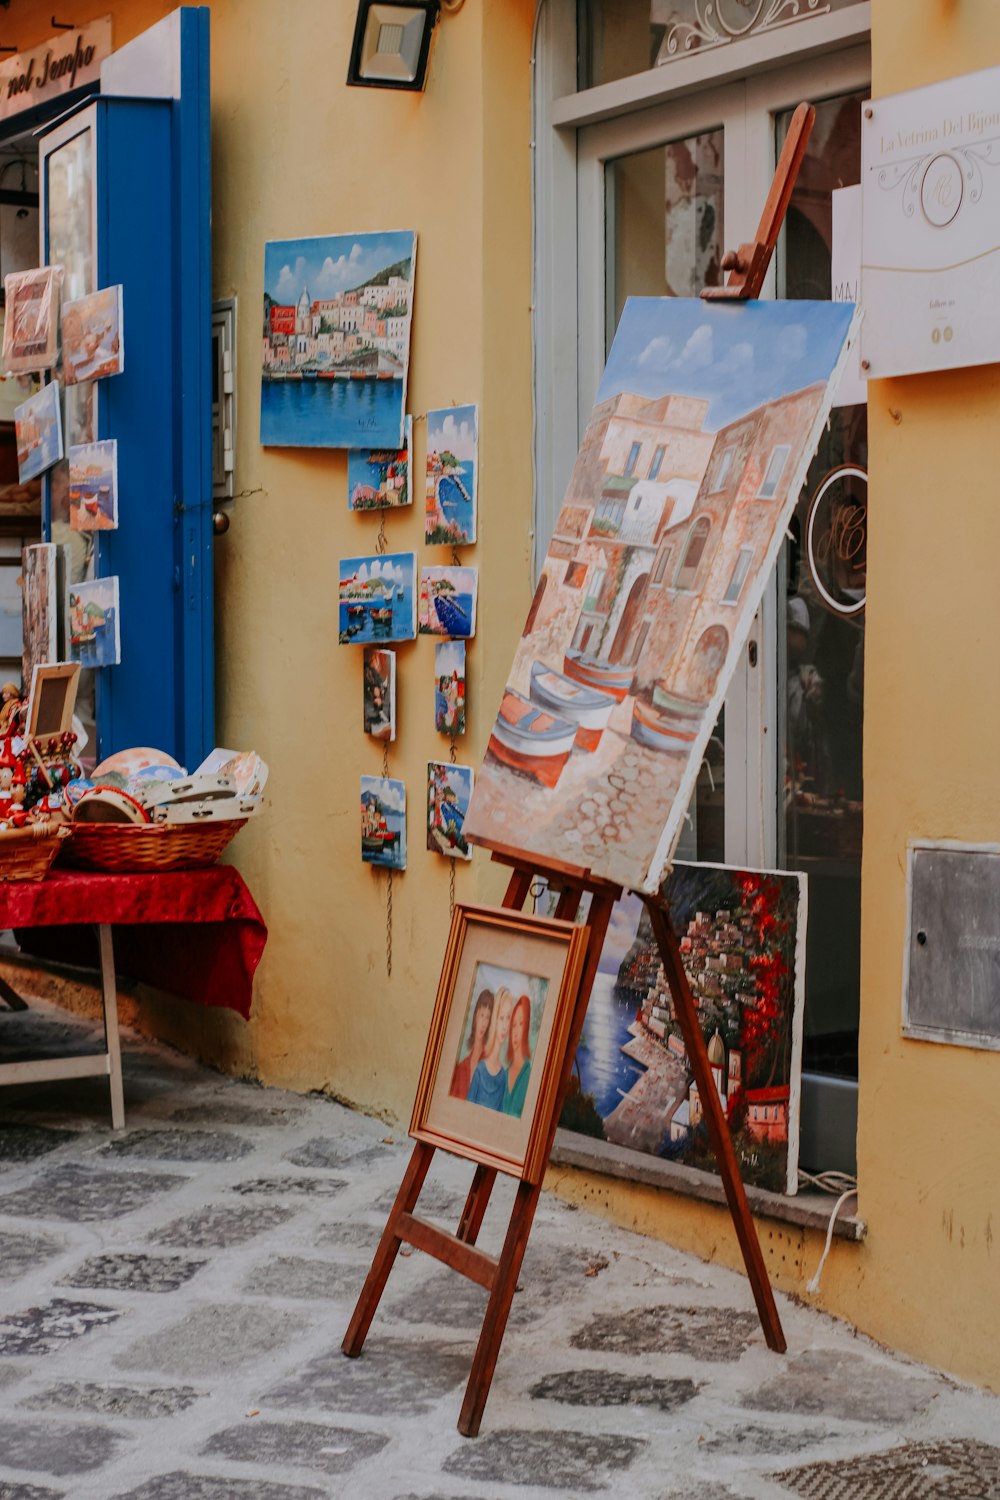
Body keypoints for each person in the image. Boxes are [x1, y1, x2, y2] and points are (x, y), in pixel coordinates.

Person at [467, 986, 513, 1111]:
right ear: (494, 1020)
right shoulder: (480, 1070)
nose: (505, 1026)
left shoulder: (503, 1076)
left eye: (508, 1018)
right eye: (501, 1018)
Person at [450, 988, 493, 1100]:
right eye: (482, 1015)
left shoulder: (488, 1064)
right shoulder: (462, 1066)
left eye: (487, 1017)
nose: (483, 1023)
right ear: (475, 1016)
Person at [502, 994, 532, 1118]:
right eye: (513, 1025)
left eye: (521, 1024)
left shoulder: (530, 1075)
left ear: (527, 1028)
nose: (516, 1032)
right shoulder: (503, 1075)